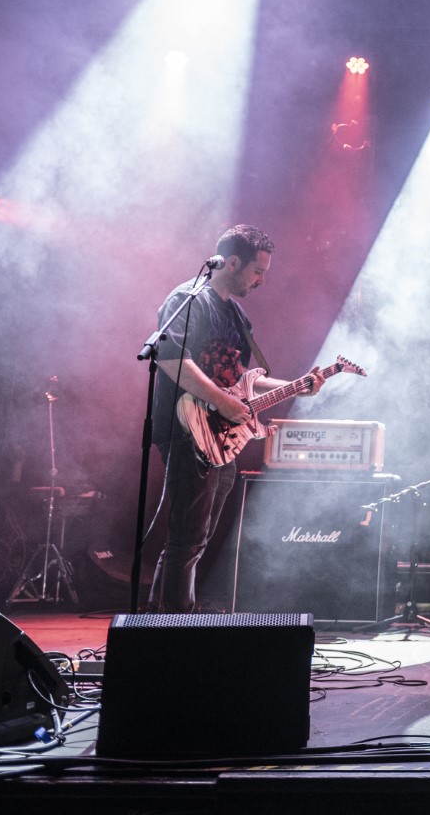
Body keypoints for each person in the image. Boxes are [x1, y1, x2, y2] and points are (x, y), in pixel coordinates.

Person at [148, 225, 320, 612]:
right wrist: (222, 402)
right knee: (187, 536)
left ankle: (159, 621)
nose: (261, 281)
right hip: (187, 428)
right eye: (258, 271)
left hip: (220, 436)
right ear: (233, 262)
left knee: (196, 538)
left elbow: (242, 381)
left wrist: (296, 386)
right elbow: (171, 359)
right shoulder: (190, 299)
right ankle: (174, 626)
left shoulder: (238, 316)